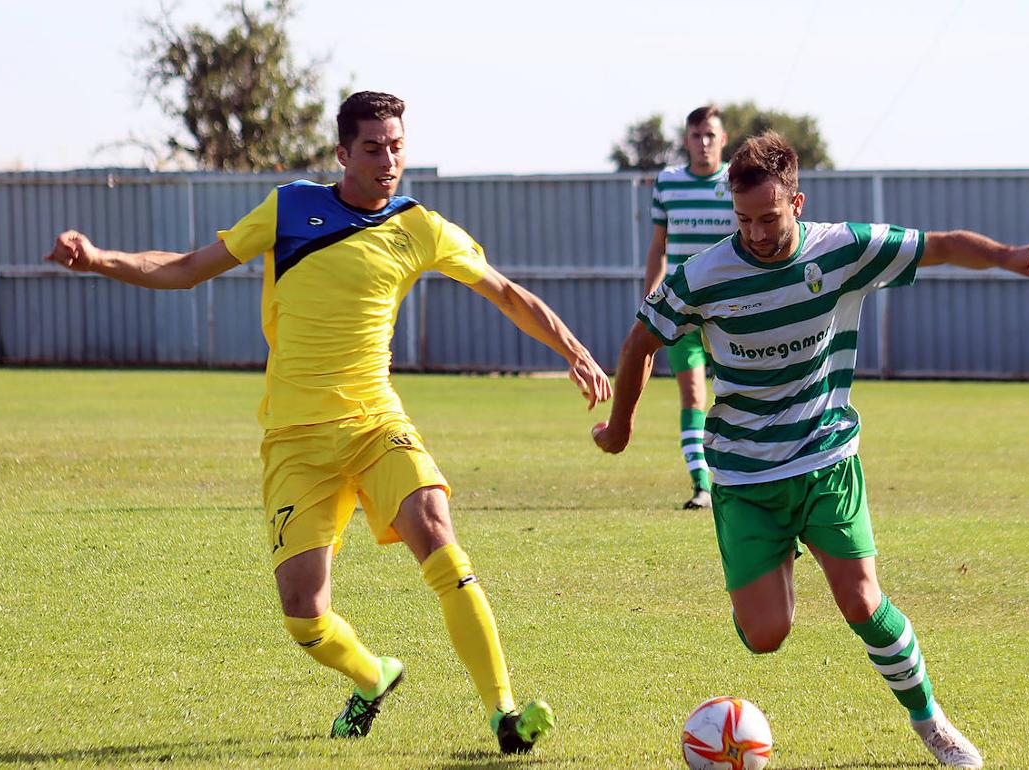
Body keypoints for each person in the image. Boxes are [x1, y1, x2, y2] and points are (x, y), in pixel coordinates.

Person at [46, 90, 611, 754]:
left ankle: (504, 715)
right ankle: (374, 678)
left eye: (397, 146)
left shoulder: (420, 226)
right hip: (296, 440)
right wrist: (101, 259)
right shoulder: (290, 208)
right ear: (343, 153)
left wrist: (574, 350)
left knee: (438, 533)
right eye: (373, 147)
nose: (388, 159)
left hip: (377, 424)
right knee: (303, 616)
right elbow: (189, 267)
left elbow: (506, 293)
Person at [593, 131, 1029, 769]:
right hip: (744, 472)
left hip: (825, 456)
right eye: (743, 220)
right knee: (766, 635)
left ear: (797, 201)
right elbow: (639, 343)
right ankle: (763, 580)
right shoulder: (703, 275)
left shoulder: (843, 249)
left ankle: (934, 725)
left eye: (768, 218)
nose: (755, 233)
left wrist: (1008, 256)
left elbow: (943, 245)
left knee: (862, 602)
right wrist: (620, 428)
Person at [642, 105, 735, 510]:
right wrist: (651, 300)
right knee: (694, 395)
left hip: (732, 310)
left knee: (739, 396)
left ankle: (739, 479)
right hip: (681, 308)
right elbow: (657, 248)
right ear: (686, 140)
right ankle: (701, 486)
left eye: (711, 135)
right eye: (697, 135)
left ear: (723, 139)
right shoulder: (668, 184)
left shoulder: (737, 181)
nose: (704, 143)